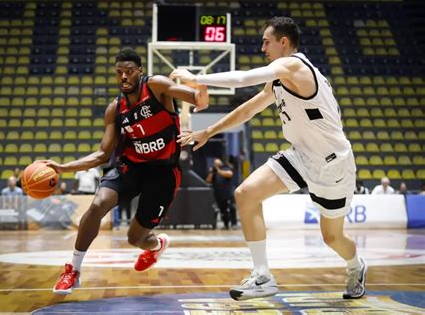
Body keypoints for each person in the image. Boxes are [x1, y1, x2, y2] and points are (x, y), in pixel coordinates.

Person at [171, 16, 366, 301]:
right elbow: (250, 108)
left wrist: (197, 78)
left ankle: (356, 266)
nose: (263, 47)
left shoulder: (294, 65)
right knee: (246, 193)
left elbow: (242, 79)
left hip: (332, 163)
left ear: (283, 42)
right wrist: (209, 131)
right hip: (300, 155)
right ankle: (262, 276)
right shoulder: (278, 78)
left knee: (332, 237)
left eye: (267, 41)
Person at [40, 48, 208, 295]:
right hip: (132, 167)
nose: (123, 78)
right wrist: (64, 167)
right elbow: (102, 154)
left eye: (128, 72)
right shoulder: (115, 109)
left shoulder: (157, 86)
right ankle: (72, 270)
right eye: (118, 73)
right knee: (98, 204)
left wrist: (193, 79)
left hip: (163, 172)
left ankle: (155, 245)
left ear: (139, 71)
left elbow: (200, 100)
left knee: (135, 238)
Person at [207, 158, 237, 229]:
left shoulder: (225, 168)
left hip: (228, 193)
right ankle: (226, 224)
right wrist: (212, 172)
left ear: (221, 164)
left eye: (218, 164)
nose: (216, 165)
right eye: (215, 164)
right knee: (223, 210)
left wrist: (219, 171)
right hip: (219, 194)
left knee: (232, 208)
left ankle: (234, 224)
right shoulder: (213, 172)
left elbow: (230, 174)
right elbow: (208, 181)